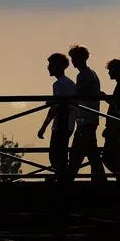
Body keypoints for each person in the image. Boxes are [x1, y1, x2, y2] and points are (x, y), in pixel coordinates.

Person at [67, 45, 106, 182]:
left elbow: (80, 96)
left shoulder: (83, 75)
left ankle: (66, 181)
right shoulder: (92, 74)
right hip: (91, 118)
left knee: (76, 153)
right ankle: (101, 180)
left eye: (73, 58)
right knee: (92, 153)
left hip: (85, 119)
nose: (72, 61)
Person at [37, 52, 76, 180]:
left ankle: (62, 179)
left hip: (61, 124)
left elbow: (55, 107)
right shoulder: (69, 83)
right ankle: (63, 177)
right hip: (69, 123)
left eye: (51, 64)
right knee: (62, 154)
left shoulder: (59, 84)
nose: (48, 67)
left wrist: (43, 126)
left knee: (55, 154)